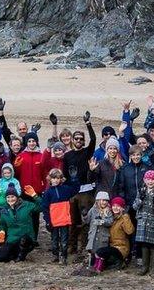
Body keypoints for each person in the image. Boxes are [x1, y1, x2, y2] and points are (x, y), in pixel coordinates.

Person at [64, 112, 96, 254]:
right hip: (72, 191)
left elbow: (94, 139)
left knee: (85, 221)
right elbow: (64, 173)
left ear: (83, 141)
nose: (78, 140)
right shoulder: (67, 155)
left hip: (86, 192)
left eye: (80, 139)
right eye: (76, 138)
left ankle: (84, 246)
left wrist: (88, 123)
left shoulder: (87, 152)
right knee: (73, 220)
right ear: (72, 140)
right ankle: (72, 246)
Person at [0, 184, 43, 262]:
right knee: (0, 257)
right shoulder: (4, 210)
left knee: (24, 241)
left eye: (12, 197)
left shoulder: (27, 205)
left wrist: (35, 196)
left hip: (26, 237)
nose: (10, 199)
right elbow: (3, 224)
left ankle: (21, 257)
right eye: (8, 197)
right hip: (12, 238)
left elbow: (42, 207)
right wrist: (2, 231)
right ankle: (15, 254)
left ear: (17, 197)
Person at [40, 169, 78, 265]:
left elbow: (76, 189)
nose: (56, 180)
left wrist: (74, 179)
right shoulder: (48, 192)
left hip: (64, 219)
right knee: (54, 239)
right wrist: (48, 221)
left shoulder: (66, 189)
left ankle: (63, 256)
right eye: (54, 178)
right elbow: (45, 208)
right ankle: (55, 255)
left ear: (61, 179)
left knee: (64, 240)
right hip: (53, 220)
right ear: (50, 179)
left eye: (58, 178)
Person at [133, 170, 154, 275]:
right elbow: (135, 206)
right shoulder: (141, 191)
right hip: (143, 221)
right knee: (144, 244)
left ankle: (153, 268)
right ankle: (144, 267)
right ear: (144, 180)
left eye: (152, 179)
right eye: (148, 179)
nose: (150, 181)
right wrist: (140, 200)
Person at [93, 197, 134, 271]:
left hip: (121, 248)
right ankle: (101, 266)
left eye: (118, 206)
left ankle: (99, 269)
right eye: (114, 206)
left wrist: (125, 216)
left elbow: (130, 231)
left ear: (122, 208)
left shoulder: (124, 218)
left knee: (101, 252)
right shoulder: (111, 217)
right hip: (111, 246)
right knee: (96, 255)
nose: (116, 208)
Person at [84, 191, 114, 269]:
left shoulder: (108, 211)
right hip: (93, 235)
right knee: (92, 251)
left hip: (102, 236)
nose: (104, 202)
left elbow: (110, 222)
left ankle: (100, 267)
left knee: (101, 252)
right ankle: (91, 265)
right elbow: (87, 220)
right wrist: (84, 215)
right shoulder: (93, 210)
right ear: (98, 200)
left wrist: (102, 221)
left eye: (106, 201)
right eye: (102, 200)